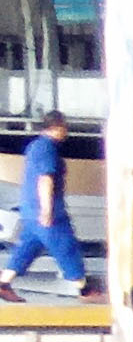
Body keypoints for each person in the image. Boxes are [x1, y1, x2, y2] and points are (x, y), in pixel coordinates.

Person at [9, 122, 90, 300]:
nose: (66, 133)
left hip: (30, 210)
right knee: (66, 246)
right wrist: (47, 210)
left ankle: (4, 283)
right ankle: (85, 290)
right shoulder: (48, 148)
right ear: (56, 127)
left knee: (27, 248)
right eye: (64, 129)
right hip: (48, 211)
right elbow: (45, 179)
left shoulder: (34, 146)